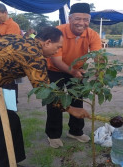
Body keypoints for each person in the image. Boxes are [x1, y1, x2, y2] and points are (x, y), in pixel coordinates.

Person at [0, 26, 90, 167]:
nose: (57, 52)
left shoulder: (19, 38)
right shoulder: (34, 54)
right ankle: (8, 163)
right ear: (47, 42)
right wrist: (71, 109)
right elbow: (44, 90)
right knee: (8, 122)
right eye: (57, 47)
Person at [46, 3, 101, 148]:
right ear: (70, 19)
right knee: (54, 100)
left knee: (78, 99)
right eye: (77, 19)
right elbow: (56, 60)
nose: (81, 23)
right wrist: (73, 72)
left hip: (77, 69)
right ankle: (53, 134)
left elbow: (98, 56)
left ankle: (76, 131)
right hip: (55, 70)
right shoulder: (58, 32)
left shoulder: (92, 34)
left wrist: (99, 71)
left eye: (86, 19)